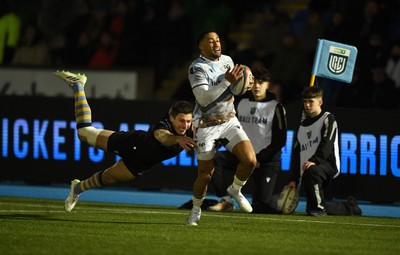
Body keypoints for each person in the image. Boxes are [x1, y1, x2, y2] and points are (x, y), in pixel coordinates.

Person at [53, 70, 195, 212]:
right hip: (131, 143)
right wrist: (178, 139)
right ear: (171, 118)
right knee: (83, 133)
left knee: (107, 179)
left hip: (141, 164)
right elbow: (162, 137)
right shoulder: (163, 126)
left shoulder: (191, 128)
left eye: (188, 121)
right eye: (181, 121)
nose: (185, 125)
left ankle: (77, 188)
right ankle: (78, 86)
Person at [186, 29, 257, 225]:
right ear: (201, 46)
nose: (216, 44)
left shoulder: (227, 60)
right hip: (206, 124)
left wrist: (244, 86)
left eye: (217, 40)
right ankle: (196, 209)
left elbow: (232, 89)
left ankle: (235, 189)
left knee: (250, 160)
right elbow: (203, 98)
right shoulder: (196, 68)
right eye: (210, 41)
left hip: (228, 120)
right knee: (205, 175)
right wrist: (228, 81)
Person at [208, 67, 287, 214]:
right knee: (213, 158)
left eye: (261, 82)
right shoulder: (241, 103)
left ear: (268, 85)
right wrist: (216, 144)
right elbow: (228, 128)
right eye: (254, 82)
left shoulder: (276, 107)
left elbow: (280, 140)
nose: (257, 86)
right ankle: (226, 200)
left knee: (260, 207)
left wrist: (259, 159)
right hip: (242, 156)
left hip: (265, 162)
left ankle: (275, 200)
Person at [287, 86, 362, 216]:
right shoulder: (302, 125)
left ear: (320, 102)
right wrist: (294, 178)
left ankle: (319, 210)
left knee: (312, 175)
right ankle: (349, 207)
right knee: (312, 207)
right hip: (308, 168)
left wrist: (314, 161)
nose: (307, 105)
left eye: (311, 101)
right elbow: (296, 153)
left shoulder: (328, 118)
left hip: (327, 164)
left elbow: (326, 144)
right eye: (305, 102)